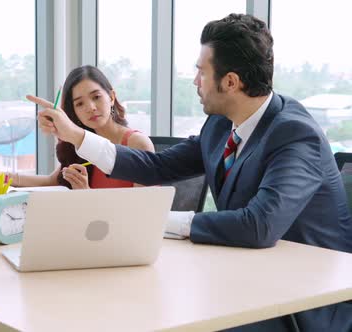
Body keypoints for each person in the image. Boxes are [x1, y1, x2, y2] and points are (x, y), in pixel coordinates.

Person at [29, 14, 352, 332]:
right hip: (248, 278)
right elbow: (158, 166)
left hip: (305, 305)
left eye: (201, 72)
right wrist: (76, 136)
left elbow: (259, 225)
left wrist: (152, 221)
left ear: (230, 81)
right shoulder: (221, 123)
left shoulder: (295, 134)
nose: (195, 81)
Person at [0, 65, 154, 190]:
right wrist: (3, 178)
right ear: (74, 112)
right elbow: (51, 181)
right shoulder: (84, 146)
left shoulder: (138, 145)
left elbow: (143, 214)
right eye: (79, 104)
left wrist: (86, 194)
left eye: (96, 97)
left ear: (111, 97)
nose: (90, 107)